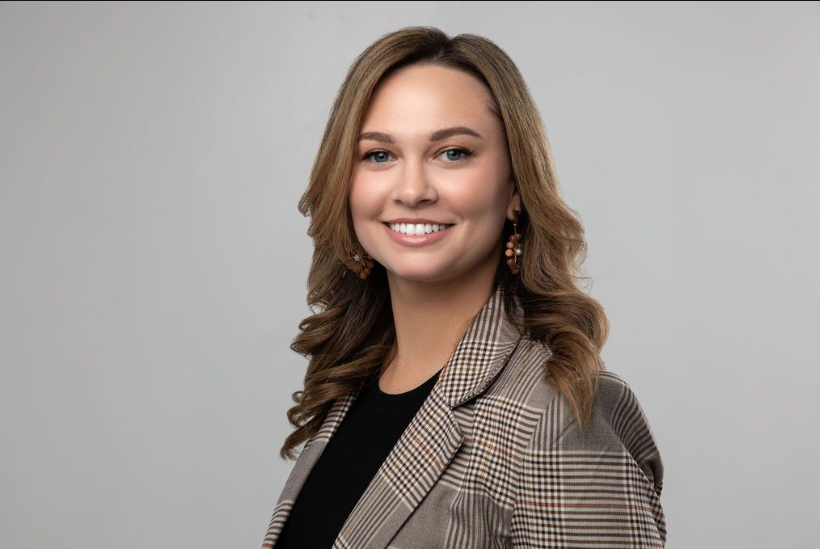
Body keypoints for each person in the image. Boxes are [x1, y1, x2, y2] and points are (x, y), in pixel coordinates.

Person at [262, 26, 666, 549]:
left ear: (516, 187)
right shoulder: (351, 390)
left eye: (452, 153)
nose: (411, 191)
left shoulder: (557, 417)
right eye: (379, 155)